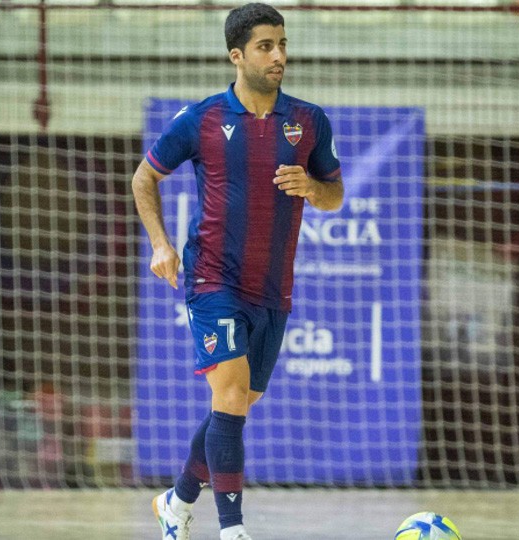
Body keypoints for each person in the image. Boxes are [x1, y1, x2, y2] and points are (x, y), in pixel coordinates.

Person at [131, 3, 344, 539]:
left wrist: (312, 189)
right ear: (237, 55)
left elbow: (334, 195)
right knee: (228, 398)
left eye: (283, 44)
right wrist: (160, 244)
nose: (279, 56)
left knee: (238, 405)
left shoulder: (309, 120)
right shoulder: (202, 118)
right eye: (266, 46)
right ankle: (233, 530)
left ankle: (176, 502)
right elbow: (143, 179)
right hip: (212, 278)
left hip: (273, 287)